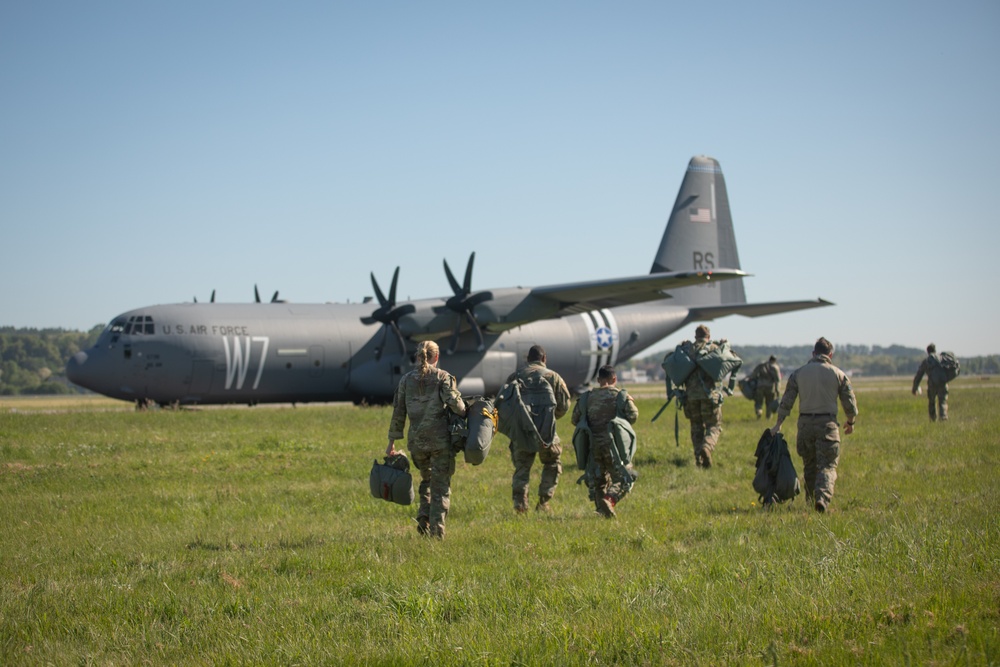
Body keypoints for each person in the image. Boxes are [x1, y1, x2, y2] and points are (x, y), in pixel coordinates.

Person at [387, 340, 466, 539]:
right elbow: (459, 407)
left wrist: (392, 442)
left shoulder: (406, 380)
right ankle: (436, 534)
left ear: (419, 356)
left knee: (427, 480)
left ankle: (424, 517)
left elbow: (398, 412)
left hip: (417, 444)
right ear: (436, 357)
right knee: (440, 487)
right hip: (440, 443)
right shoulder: (442, 377)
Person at [771, 337, 858, 513]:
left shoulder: (798, 373)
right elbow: (850, 403)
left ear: (813, 353)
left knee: (809, 466)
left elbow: (786, 401)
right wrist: (850, 422)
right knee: (827, 465)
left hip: (805, 426)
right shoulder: (838, 374)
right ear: (830, 355)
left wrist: (778, 424)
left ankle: (811, 502)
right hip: (827, 425)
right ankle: (822, 498)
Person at [505, 344, 571, 513]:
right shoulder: (553, 376)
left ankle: (520, 506)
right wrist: (550, 418)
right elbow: (564, 405)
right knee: (552, 464)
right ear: (544, 359)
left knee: (522, 468)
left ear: (527, 359)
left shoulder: (515, 376)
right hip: (546, 432)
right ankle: (544, 502)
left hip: (522, 432)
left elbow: (506, 404)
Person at [571, 365, 638, 518]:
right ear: (614, 379)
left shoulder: (587, 398)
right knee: (625, 477)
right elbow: (633, 416)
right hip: (615, 446)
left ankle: (601, 512)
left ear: (598, 380)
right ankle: (609, 500)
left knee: (599, 480)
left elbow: (575, 420)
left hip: (593, 446)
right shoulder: (620, 396)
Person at [677, 324, 737, 468]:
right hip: (709, 396)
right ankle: (707, 447)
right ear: (708, 337)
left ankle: (699, 459)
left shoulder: (687, 350)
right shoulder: (713, 348)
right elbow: (732, 360)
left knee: (696, 426)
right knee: (714, 425)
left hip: (691, 397)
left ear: (695, 336)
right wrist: (724, 345)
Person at [912, 343, 949, 421]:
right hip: (943, 382)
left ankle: (933, 419)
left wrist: (914, 388)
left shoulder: (927, 361)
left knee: (932, 401)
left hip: (932, 384)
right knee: (942, 401)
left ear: (927, 352)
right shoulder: (942, 359)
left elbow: (919, 375)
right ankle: (943, 417)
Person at [750, 355, 782, 419]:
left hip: (760, 386)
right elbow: (777, 380)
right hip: (770, 388)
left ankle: (759, 411)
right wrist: (777, 391)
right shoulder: (775, 367)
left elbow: (753, 375)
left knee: (758, 402)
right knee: (769, 403)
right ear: (775, 360)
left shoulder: (761, 365)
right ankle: (768, 417)